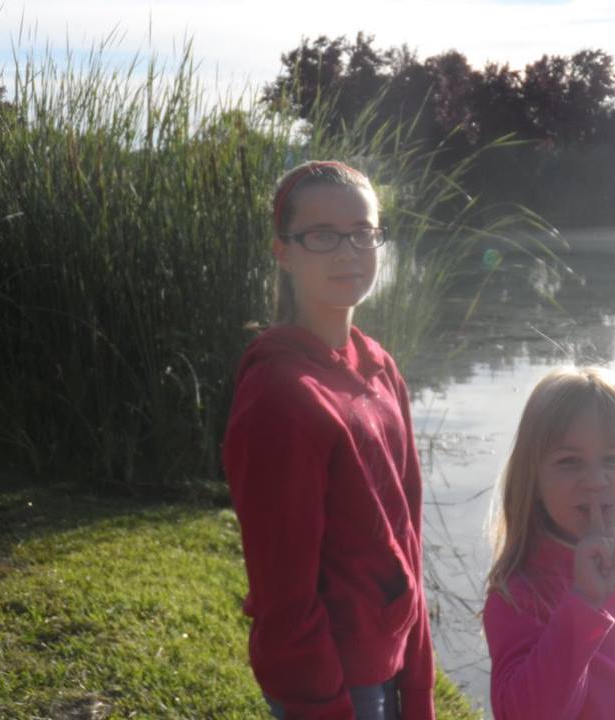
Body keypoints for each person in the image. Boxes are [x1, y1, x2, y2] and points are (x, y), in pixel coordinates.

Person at [222, 161, 434, 720]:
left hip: (389, 660)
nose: (348, 251)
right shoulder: (279, 394)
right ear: (283, 251)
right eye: (322, 236)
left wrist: (418, 682)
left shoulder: (380, 365)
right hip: (335, 681)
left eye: (363, 233)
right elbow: (284, 596)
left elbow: (407, 534)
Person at [483, 366, 615, 720]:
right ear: (532, 479)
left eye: (614, 459)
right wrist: (584, 603)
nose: (595, 481)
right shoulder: (518, 593)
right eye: (569, 462)